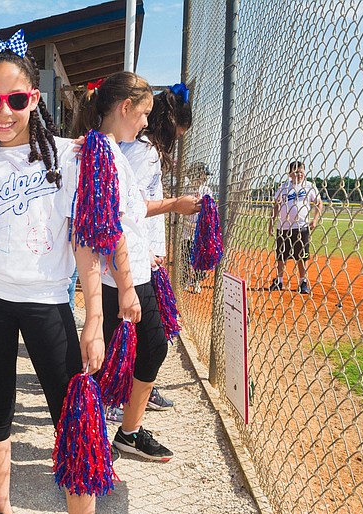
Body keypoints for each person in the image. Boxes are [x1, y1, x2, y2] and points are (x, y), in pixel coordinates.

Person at [0, 32, 144, 514]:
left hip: (46, 301)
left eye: (16, 99)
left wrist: (93, 318)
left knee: (75, 417)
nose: (4, 112)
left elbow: (87, 240)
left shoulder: (69, 156)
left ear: (34, 98)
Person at [76, 78, 199, 463]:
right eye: (143, 113)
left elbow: (134, 208)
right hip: (121, 276)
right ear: (125, 108)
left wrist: (175, 204)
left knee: (148, 349)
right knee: (107, 360)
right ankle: (90, 440)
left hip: (131, 271)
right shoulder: (105, 153)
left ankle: (121, 433)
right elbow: (111, 225)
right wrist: (127, 287)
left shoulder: (112, 150)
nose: (147, 122)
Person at [117, 83, 193, 416]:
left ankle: (134, 390)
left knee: (143, 336)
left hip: (140, 254)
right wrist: (147, 248)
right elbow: (128, 207)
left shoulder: (146, 150)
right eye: (178, 134)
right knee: (145, 338)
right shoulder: (144, 151)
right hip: (133, 256)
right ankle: (122, 395)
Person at [269, 160, 322, 293]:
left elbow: (319, 203)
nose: (299, 175)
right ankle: (279, 281)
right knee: (281, 255)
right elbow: (276, 206)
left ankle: (303, 282)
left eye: (301, 172)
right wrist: (271, 223)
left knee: (302, 256)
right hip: (283, 227)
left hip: (301, 226)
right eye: (296, 172)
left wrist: (315, 219)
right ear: (290, 174)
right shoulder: (283, 187)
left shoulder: (309, 186)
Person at [181, 161, 212, 293]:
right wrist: (188, 224)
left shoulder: (206, 191)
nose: (204, 179)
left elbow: (208, 211)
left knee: (199, 258)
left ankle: (197, 281)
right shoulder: (185, 190)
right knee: (185, 257)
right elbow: (180, 212)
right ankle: (185, 280)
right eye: (203, 175)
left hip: (199, 231)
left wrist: (199, 226)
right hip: (186, 230)